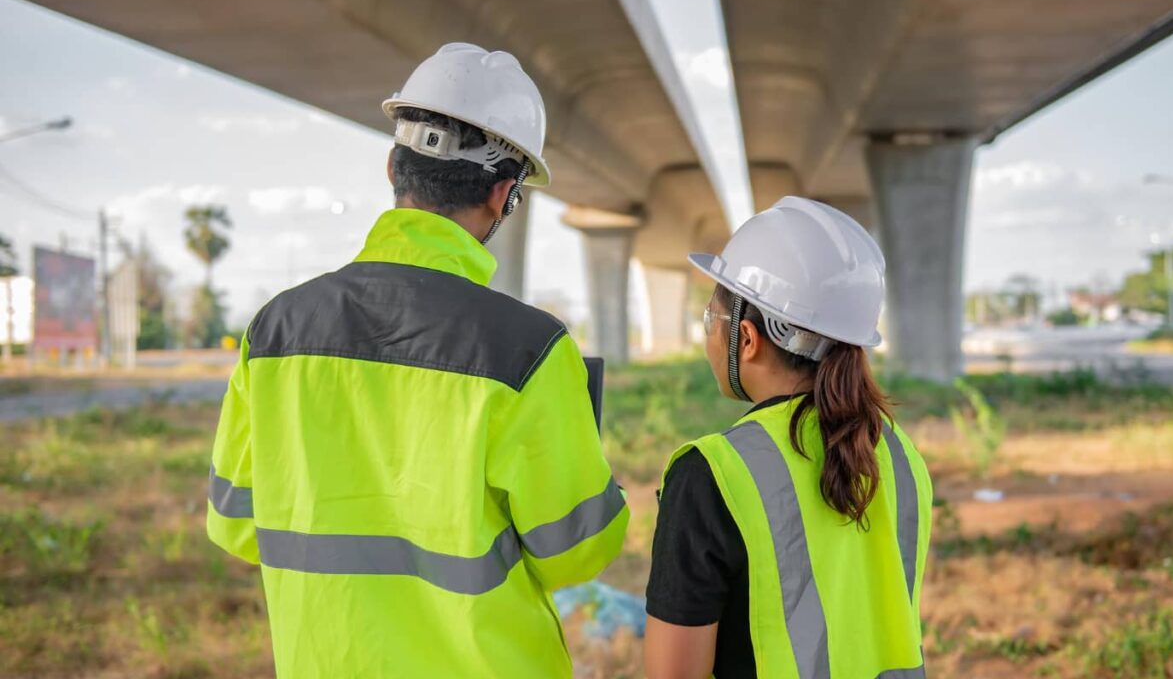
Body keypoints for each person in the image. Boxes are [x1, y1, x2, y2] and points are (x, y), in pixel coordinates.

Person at [206, 42, 629, 678]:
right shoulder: (527, 350)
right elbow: (575, 554)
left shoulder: (276, 329)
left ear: (391, 165)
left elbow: (236, 523)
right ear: (504, 195)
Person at [644, 196, 932, 679]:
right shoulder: (899, 453)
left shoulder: (713, 474)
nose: (708, 339)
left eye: (711, 322)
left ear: (749, 339)